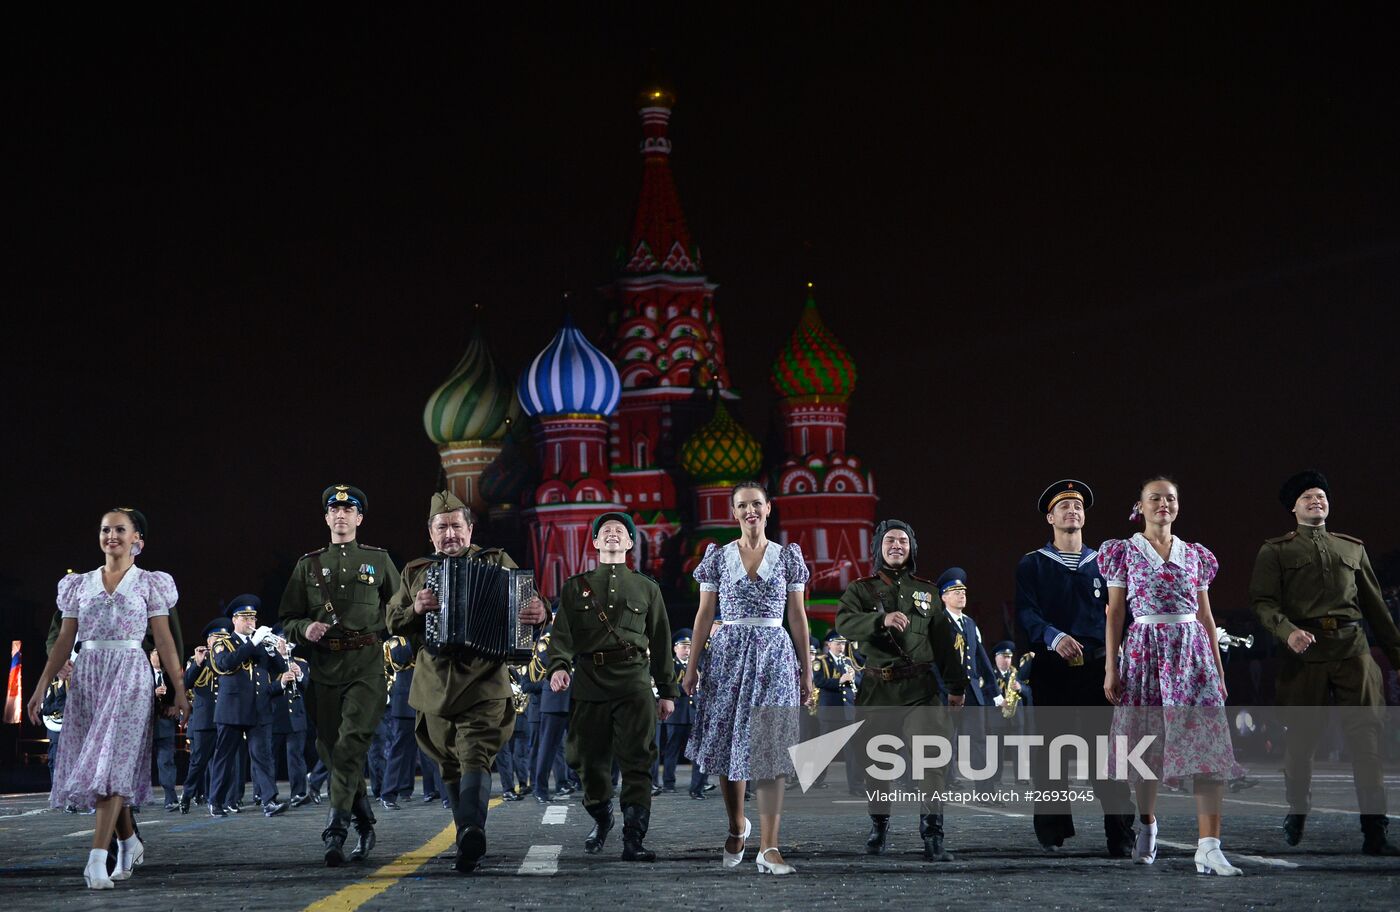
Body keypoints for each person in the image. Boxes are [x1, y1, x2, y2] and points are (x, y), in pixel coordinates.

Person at [27, 507, 189, 889]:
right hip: (88, 677)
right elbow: (65, 639)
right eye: (105, 529)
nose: (111, 535)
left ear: (138, 540)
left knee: (113, 762)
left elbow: (164, 641)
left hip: (131, 674)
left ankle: (96, 860)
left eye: (120, 529)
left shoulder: (152, 584)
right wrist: (40, 686)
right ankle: (128, 841)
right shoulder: (78, 585)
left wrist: (180, 688)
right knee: (99, 765)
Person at [385, 490, 546, 873]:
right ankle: (466, 838)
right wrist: (416, 609)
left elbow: (530, 601)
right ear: (431, 533)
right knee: (449, 763)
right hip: (435, 683)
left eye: (457, 526)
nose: (450, 534)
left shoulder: (497, 561)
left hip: (485, 677)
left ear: (470, 529)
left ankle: (472, 830)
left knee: (475, 753)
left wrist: (540, 612)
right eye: (442, 528)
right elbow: (391, 621)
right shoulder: (414, 570)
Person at [1250, 470, 1400, 855]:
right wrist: (1288, 632)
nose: (1317, 501)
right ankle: (1298, 808)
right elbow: (1263, 604)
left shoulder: (1352, 549)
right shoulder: (1276, 551)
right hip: (1305, 657)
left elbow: (1375, 607)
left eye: (1321, 496)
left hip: (1353, 651)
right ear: (1293, 508)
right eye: (1307, 498)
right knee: (1300, 744)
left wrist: (1396, 655)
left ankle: (1375, 831)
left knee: (1366, 742)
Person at [1100, 476, 1243, 875]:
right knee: (1145, 750)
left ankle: (1209, 846)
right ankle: (1147, 828)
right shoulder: (1123, 552)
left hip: (1192, 656)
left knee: (1208, 748)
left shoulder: (1196, 555)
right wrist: (1112, 667)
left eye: (1171, 498)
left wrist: (1216, 669)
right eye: (1155, 498)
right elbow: (1114, 613)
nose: (1164, 504)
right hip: (1145, 653)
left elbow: (1206, 616)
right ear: (1140, 506)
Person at [683, 482, 812, 875]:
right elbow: (705, 614)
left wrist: (806, 670)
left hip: (775, 655)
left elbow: (798, 617)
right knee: (728, 744)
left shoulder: (789, 557)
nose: (751, 511)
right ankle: (738, 825)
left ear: (769, 508)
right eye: (743, 506)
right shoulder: (717, 559)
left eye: (757, 504)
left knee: (772, 749)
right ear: (733, 513)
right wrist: (692, 666)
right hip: (727, 657)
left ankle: (769, 847)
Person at [279, 484, 402, 866]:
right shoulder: (307, 564)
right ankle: (366, 824)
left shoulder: (379, 561)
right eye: (334, 509)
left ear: (359, 518)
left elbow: (401, 610)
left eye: (349, 509)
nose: (341, 515)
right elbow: (287, 618)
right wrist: (304, 629)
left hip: (366, 665)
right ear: (326, 517)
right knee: (332, 752)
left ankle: (336, 831)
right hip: (325, 669)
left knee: (349, 746)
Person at [1014, 480, 1136, 856]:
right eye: (1063, 506)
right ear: (1050, 517)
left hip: (1099, 671)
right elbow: (1026, 613)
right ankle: (1052, 831)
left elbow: (1125, 616)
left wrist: (1121, 661)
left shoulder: (1106, 562)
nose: (1072, 511)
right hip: (1052, 670)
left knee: (1108, 754)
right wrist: (1053, 637)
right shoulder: (1032, 563)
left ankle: (1121, 832)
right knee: (1052, 752)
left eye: (1077, 506)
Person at [835, 519, 967, 862]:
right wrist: (881, 620)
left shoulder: (929, 592)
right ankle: (879, 824)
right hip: (878, 690)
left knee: (932, 760)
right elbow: (844, 623)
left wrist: (956, 686)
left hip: (921, 690)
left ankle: (933, 834)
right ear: (879, 547)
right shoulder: (860, 590)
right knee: (876, 766)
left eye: (903, 542)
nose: (897, 546)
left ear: (912, 549)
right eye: (890, 540)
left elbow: (944, 643)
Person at [550, 511, 678, 863]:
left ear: (630, 542)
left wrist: (667, 691)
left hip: (634, 680)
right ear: (593, 542)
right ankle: (601, 813)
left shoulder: (647, 588)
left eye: (620, 531)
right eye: (604, 530)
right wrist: (559, 666)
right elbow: (562, 635)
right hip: (590, 679)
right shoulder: (575, 587)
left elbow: (662, 641)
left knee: (638, 759)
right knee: (585, 760)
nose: (612, 534)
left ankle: (633, 837)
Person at [209, 596, 290, 818]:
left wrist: (273, 650)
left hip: (259, 709)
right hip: (232, 710)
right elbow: (225, 664)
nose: (251, 622)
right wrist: (253, 643)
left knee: (263, 757)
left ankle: (269, 801)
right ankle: (216, 801)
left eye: (253, 617)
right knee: (224, 758)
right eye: (245, 618)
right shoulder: (222, 642)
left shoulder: (260, 642)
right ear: (234, 620)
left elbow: (280, 668)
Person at [935, 568, 1004, 789]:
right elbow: (933, 663)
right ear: (944, 596)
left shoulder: (970, 624)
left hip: (972, 692)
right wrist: (942, 691)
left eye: (963, 591)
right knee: (945, 741)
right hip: (947, 693)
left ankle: (986, 790)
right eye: (955, 591)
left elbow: (981, 659)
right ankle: (944, 784)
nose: (961, 594)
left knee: (978, 740)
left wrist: (995, 693)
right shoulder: (937, 623)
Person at [811, 630, 862, 793]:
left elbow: (860, 681)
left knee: (853, 750)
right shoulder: (821, 661)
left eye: (843, 644)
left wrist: (854, 678)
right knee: (825, 748)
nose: (841, 647)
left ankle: (856, 786)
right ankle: (816, 779)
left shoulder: (848, 661)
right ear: (829, 645)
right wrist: (839, 681)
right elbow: (818, 681)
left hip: (848, 711)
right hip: (830, 710)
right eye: (838, 643)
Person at [271, 630, 311, 806]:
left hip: (296, 716)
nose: (285, 644)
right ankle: (267, 795)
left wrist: (300, 676)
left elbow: (310, 689)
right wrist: (281, 682)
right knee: (270, 757)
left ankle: (299, 793)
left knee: (295, 756)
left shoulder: (301, 663)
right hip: (274, 716)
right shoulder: (268, 663)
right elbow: (264, 689)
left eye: (288, 641)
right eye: (282, 641)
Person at [380, 635, 418, 809]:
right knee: (400, 748)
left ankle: (447, 795)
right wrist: (415, 638)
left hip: (426, 695)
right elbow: (400, 658)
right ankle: (388, 793)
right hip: (405, 699)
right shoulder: (398, 640)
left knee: (433, 747)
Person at [656, 629, 695, 793]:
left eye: (689, 647)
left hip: (692, 713)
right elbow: (669, 686)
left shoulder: (696, 665)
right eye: (684, 647)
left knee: (695, 752)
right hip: (677, 714)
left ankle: (697, 785)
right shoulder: (671, 666)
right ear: (675, 648)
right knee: (672, 749)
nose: (687, 650)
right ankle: (669, 782)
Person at [148, 648, 180, 810]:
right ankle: (133, 801)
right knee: (140, 765)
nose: (159, 656)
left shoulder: (171, 675)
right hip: (145, 726)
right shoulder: (142, 674)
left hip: (165, 725)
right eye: (155, 653)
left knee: (166, 761)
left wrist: (175, 707)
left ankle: (171, 798)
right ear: (150, 656)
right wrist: (152, 693)